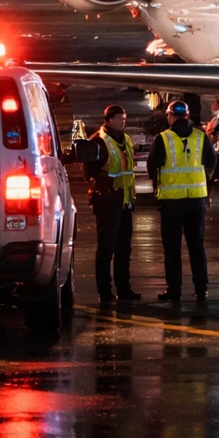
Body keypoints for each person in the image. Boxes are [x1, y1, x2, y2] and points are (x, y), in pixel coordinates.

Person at [147, 100, 216, 302]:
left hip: (171, 202)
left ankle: (174, 290)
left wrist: (159, 184)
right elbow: (212, 163)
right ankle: (201, 289)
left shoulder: (163, 138)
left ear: (170, 116)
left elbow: (152, 167)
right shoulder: (201, 137)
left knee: (172, 248)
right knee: (197, 246)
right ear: (187, 116)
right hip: (197, 200)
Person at [83, 105, 140, 303]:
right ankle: (105, 291)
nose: (123, 121)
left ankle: (124, 289)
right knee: (106, 248)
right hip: (107, 201)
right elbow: (88, 173)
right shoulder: (98, 141)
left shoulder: (126, 139)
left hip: (125, 201)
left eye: (124, 118)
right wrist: (102, 186)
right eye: (119, 118)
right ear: (109, 119)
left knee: (124, 248)